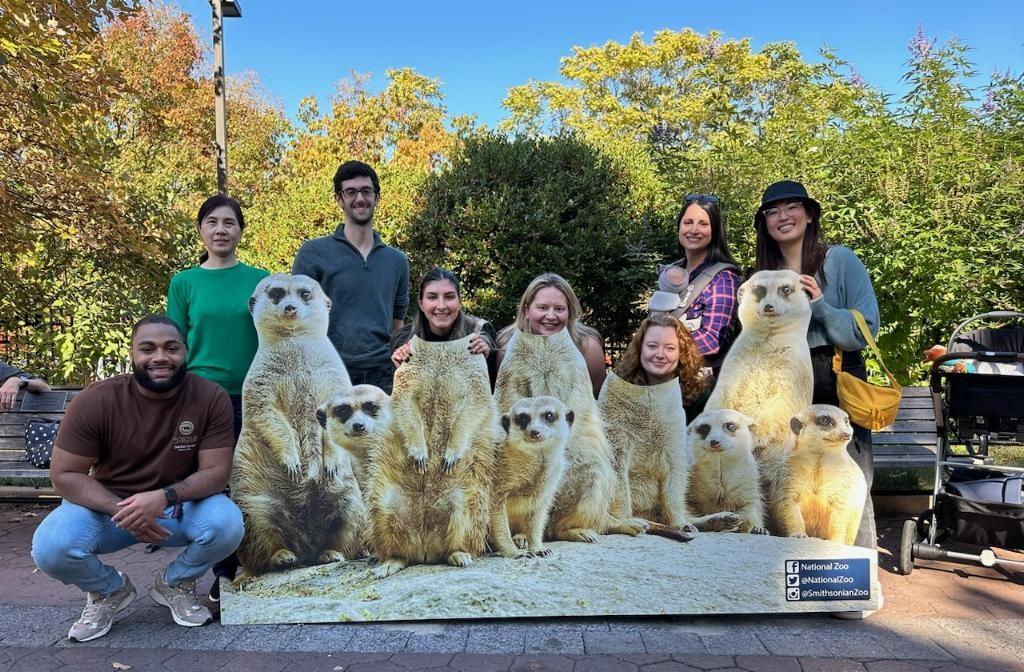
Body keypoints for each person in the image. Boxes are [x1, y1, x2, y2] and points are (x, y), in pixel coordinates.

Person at [30, 316, 244, 643]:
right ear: (132, 353)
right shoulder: (97, 400)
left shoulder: (209, 397)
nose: (160, 357)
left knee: (228, 523)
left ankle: (175, 582)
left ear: (185, 351)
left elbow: (216, 473)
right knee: (50, 547)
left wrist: (163, 497)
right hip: (107, 510)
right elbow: (64, 475)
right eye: (148, 349)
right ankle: (108, 591)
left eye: (171, 348)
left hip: (176, 509)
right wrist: (126, 509)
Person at [753, 179, 880, 550]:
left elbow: (860, 333)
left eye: (791, 207)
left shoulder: (838, 260)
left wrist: (820, 303)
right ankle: (793, 579)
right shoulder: (765, 275)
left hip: (834, 373)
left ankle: (853, 584)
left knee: (846, 485)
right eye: (772, 212)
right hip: (783, 383)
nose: (782, 217)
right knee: (786, 478)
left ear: (809, 215)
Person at [165, 194, 267, 601]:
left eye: (229, 222)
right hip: (202, 399)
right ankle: (220, 573)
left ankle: (253, 564)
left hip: (254, 395)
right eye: (212, 222)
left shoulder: (260, 279)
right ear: (201, 230)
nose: (221, 229)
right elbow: (173, 344)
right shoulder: (184, 282)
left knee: (252, 483)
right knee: (210, 486)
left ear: (240, 231)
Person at [292, 160, 410, 394]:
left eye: (366, 191)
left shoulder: (397, 261)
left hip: (383, 376)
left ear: (377, 197)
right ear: (339, 199)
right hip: (328, 373)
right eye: (351, 192)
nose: (360, 198)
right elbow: (297, 322)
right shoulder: (313, 254)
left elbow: (398, 323)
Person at [651, 194, 741, 376]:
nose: (694, 230)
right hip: (662, 376)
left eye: (703, 224)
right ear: (679, 227)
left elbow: (713, 340)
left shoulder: (723, 278)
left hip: (699, 383)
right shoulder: (672, 273)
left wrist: (656, 347)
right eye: (688, 222)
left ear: (715, 231)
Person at [497, 273, 606, 397]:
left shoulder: (588, 348)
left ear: (569, 312)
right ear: (526, 311)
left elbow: (597, 400)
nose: (551, 316)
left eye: (559, 309)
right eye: (543, 308)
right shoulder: (507, 349)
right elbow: (504, 403)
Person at [391, 267, 498, 387]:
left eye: (449, 297)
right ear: (421, 303)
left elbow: (493, 394)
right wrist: (401, 371)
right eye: (432, 297)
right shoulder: (404, 339)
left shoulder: (479, 331)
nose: (441, 306)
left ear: (459, 301)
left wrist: (487, 360)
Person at [613, 313, 707, 413]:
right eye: (652, 346)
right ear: (639, 348)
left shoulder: (700, 399)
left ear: (682, 353)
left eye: (670, 348)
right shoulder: (619, 392)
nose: (660, 355)